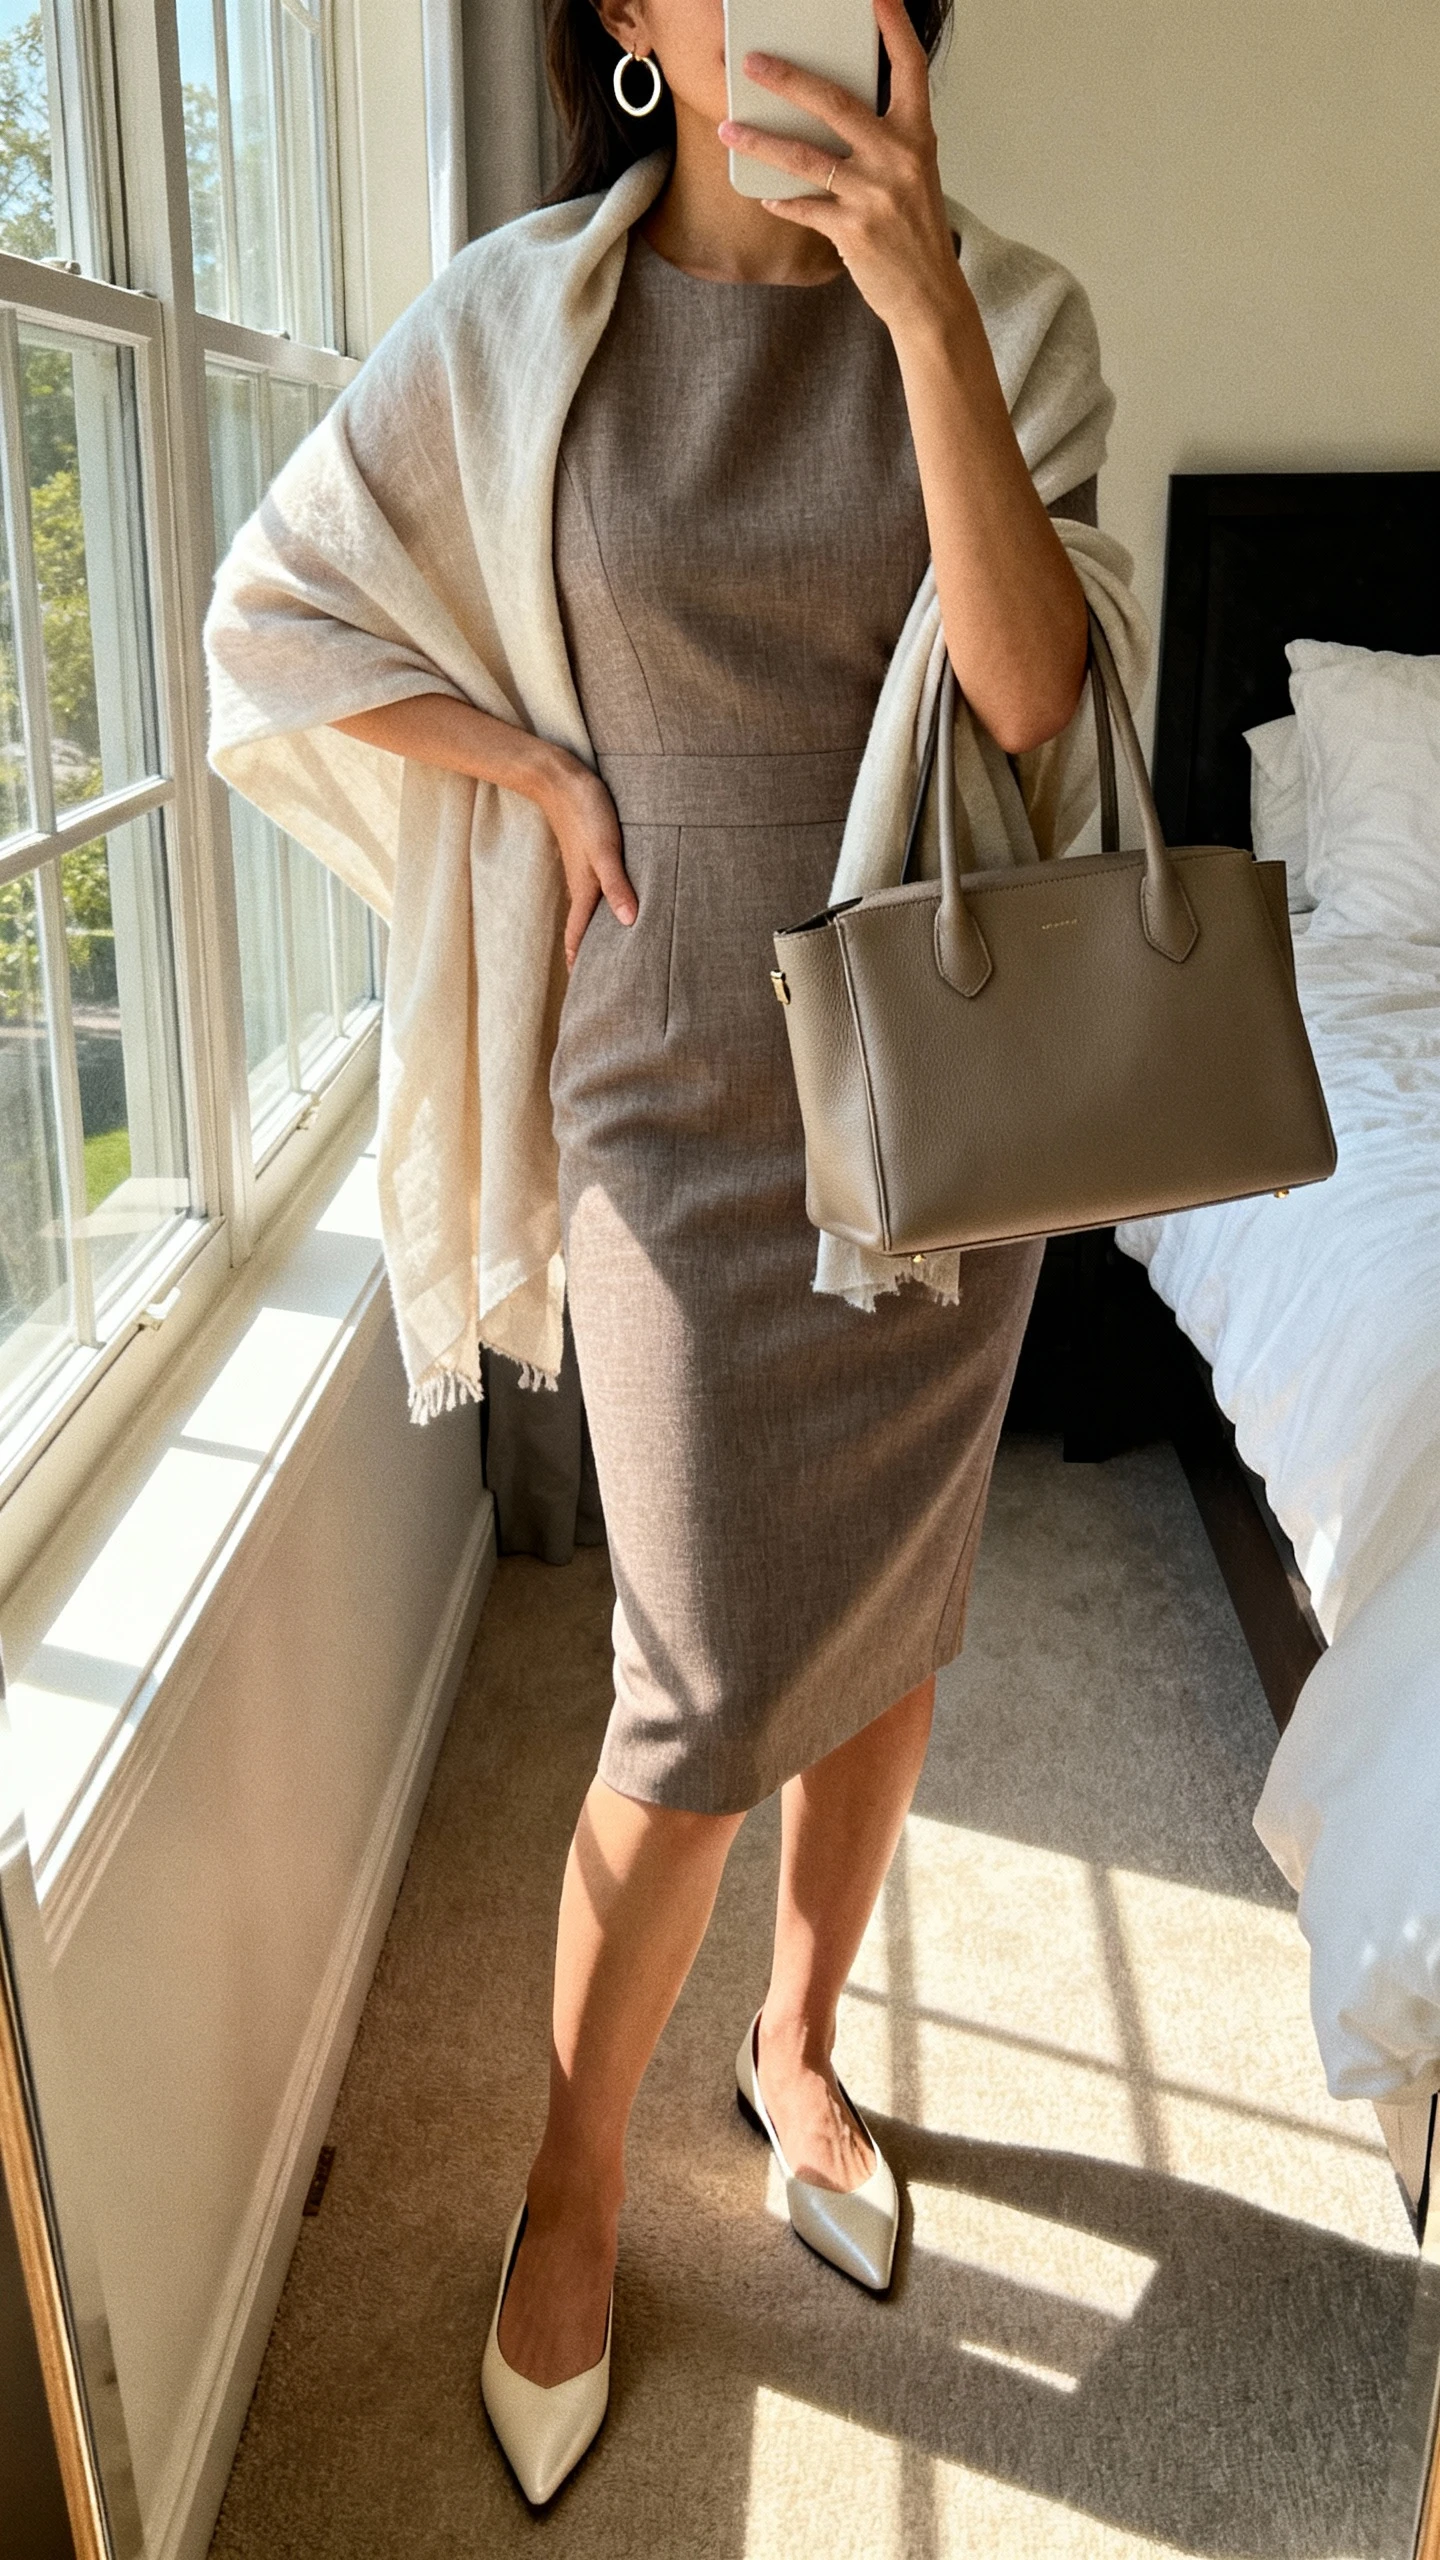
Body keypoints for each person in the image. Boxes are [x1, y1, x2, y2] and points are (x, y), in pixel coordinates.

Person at [210, 0, 1140, 2509]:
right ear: (630, 10)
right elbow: (273, 609)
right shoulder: (522, 320)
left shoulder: (1014, 312)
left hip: (938, 1105)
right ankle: (570, 2173)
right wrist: (522, 763)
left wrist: (921, 298)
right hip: (668, 1101)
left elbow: (1038, 712)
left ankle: (804, 2046)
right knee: (701, 1665)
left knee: (889, 1625)